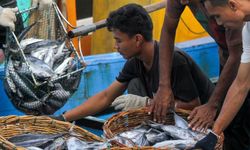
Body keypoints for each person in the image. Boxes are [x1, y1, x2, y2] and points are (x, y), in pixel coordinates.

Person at [50, 3, 215, 122]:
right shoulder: (135, 61)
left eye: (119, 41)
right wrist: (63, 118)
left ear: (137, 39)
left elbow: (193, 106)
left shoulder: (175, 60)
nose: (115, 47)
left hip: (203, 123)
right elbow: (106, 97)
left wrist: (146, 103)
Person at [150, 0, 243, 132]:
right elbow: (168, 30)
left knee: (239, 123)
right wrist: (164, 85)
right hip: (228, 59)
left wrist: (212, 104)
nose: (182, 2)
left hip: (241, 59)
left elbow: (236, 56)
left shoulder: (232, 8)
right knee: (229, 126)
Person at [190, 0, 250, 150]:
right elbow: (241, 85)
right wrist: (214, 134)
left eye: (217, 16)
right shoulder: (247, 31)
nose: (218, 23)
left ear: (232, 5)